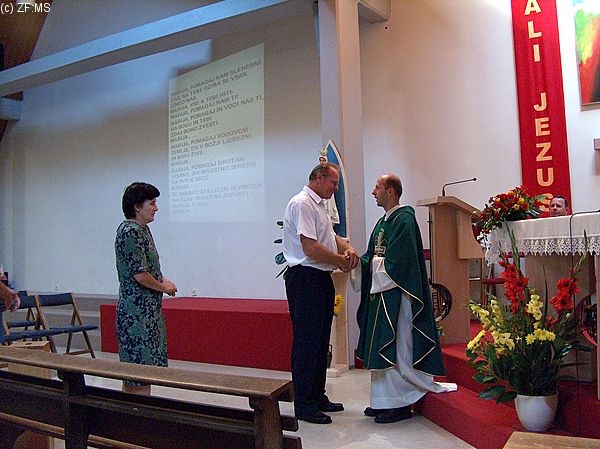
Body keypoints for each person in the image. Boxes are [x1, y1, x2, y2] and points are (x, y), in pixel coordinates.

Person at [356, 174, 455, 424]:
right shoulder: (383, 222)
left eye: (377, 187)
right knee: (383, 344)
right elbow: (371, 255)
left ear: (390, 191)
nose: (373, 192)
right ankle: (383, 401)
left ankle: (400, 403)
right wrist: (356, 262)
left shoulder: (405, 219)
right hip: (381, 293)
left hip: (398, 294)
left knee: (398, 346)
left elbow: (399, 263)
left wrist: (372, 263)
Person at [282, 162, 359, 424]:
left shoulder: (320, 206)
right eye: (333, 183)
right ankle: (304, 404)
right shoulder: (302, 203)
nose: (336, 189)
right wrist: (340, 261)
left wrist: (347, 248)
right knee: (307, 343)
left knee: (320, 341)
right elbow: (310, 248)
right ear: (318, 177)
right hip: (305, 278)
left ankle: (317, 395)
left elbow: (331, 236)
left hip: (320, 278)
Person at [114, 182, 177, 395]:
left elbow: (150, 270)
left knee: (145, 373)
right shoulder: (129, 232)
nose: (156, 208)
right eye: (152, 203)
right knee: (137, 375)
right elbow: (140, 275)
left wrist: (164, 282)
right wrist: (163, 287)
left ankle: (138, 412)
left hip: (149, 312)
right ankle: (134, 414)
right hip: (136, 315)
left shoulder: (143, 230)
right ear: (137, 206)